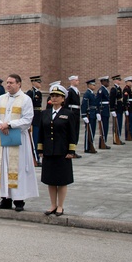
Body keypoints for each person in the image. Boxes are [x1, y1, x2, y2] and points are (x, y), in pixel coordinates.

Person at [0, 74, 38, 211]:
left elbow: (27, 119)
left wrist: (9, 125)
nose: (8, 85)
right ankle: (5, 199)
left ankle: (19, 200)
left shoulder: (25, 99)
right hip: (4, 138)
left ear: (19, 84)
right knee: (4, 168)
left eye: (11, 82)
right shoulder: (2, 98)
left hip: (18, 139)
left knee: (18, 168)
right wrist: (0, 125)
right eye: (7, 82)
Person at [38, 84, 79, 216]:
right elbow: (41, 133)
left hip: (62, 152)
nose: (54, 98)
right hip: (48, 152)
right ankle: (52, 205)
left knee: (62, 180)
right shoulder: (45, 113)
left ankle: (60, 205)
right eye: (52, 96)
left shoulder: (68, 114)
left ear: (63, 99)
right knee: (50, 180)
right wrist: (40, 149)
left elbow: (73, 134)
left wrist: (71, 151)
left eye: (57, 96)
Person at [26, 76, 44, 163]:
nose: (39, 84)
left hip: (38, 117)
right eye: (38, 82)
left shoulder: (38, 93)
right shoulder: (31, 93)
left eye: (40, 82)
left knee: (38, 138)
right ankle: (34, 158)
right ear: (33, 82)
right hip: (33, 118)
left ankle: (37, 157)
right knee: (34, 138)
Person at [81, 78, 99, 154]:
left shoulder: (92, 93)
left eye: (94, 85)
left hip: (93, 114)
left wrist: (97, 112)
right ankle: (87, 147)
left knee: (92, 131)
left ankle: (90, 145)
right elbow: (84, 105)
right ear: (89, 85)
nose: (94, 86)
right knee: (88, 131)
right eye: (92, 85)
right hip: (89, 114)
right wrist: (84, 115)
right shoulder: (87, 93)